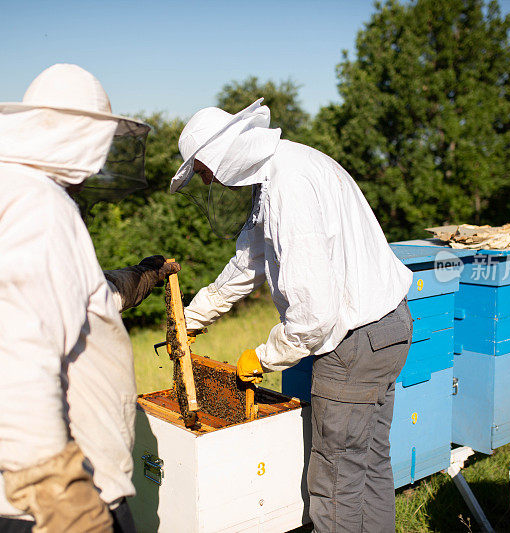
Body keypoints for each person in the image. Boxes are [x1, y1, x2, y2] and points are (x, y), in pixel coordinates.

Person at [0, 64, 178, 532]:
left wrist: (137, 279)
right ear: (81, 136)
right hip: (38, 503)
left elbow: (59, 303)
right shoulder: (38, 209)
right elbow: (16, 364)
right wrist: (67, 508)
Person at [171, 99, 414, 532]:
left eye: (202, 169)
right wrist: (194, 316)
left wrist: (264, 358)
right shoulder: (285, 170)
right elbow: (249, 261)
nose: (206, 179)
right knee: (369, 466)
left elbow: (314, 317)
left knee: (335, 485)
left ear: (217, 155)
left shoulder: (289, 187)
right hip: (388, 328)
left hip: (354, 342)